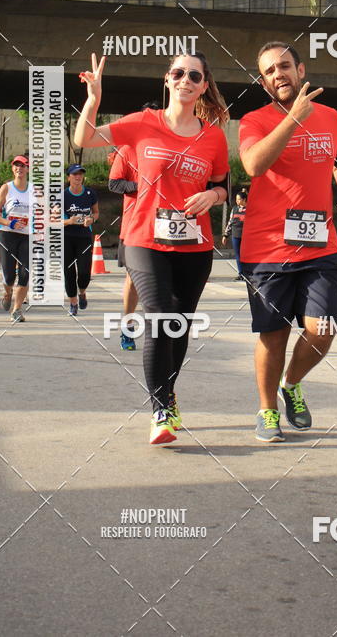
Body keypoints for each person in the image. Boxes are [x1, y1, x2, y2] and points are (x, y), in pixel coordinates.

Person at [75, 52, 229, 445]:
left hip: (194, 245)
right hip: (145, 238)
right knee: (160, 316)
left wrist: (211, 196)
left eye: (195, 74)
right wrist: (94, 98)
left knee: (179, 326)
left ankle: (169, 395)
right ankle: (160, 410)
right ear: (167, 79)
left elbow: (223, 185)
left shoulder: (212, 136)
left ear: (204, 85)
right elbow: (84, 139)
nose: (186, 80)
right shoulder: (143, 123)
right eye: (178, 73)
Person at [239, 42, 337, 443]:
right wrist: (292, 119)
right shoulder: (254, 121)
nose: (279, 74)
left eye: (285, 66)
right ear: (264, 81)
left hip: (319, 243)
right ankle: (266, 410)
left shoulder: (329, 118)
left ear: (300, 69)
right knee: (273, 336)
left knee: (322, 328)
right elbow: (254, 164)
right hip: (267, 247)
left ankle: (291, 384)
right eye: (270, 71)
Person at [0, 155, 31, 323]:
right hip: (7, 235)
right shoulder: (7, 188)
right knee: (9, 276)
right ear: (12, 168)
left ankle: (17, 309)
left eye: (23, 165)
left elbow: (42, 214)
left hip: (27, 236)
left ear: (28, 169)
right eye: (16, 165)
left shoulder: (35, 189)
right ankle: (7, 292)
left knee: (25, 273)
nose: (19, 168)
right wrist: (10, 223)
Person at [108, 144, 139, 349]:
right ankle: (128, 328)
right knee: (133, 279)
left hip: (164, 225)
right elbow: (114, 184)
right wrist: (140, 186)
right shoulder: (128, 150)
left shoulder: (171, 147)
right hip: (134, 227)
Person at [63, 164, 99, 316]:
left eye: (80, 174)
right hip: (66, 237)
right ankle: (73, 302)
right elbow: (53, 220)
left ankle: (82, 292)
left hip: (84, 237)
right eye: (74, 174)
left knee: (84, 271)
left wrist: (91, 219)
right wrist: (69, 221)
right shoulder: (62, 196)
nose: (78, 177)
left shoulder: (90, 193)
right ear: (69, 177)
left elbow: (96, 213)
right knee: (69, 271)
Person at [221, 190, 247, 280]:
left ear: (244, 200)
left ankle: (247, 273)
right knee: (238, 255)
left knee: (245, 255)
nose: (237, 201)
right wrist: (225, 235)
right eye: (236, 199)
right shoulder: (234, 209)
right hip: (235, 235)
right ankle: (241, 274)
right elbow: (230, 222)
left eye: (239, 199)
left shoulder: (250, 209)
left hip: (246, 236)